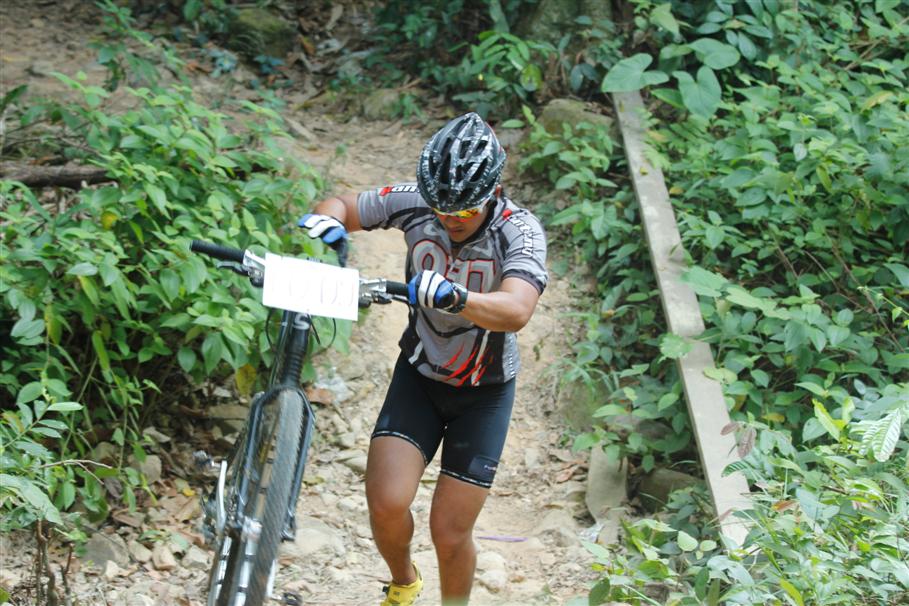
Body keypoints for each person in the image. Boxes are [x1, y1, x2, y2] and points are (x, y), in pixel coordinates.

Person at [298, 112, 548, 606]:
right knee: (386, 502)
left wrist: (459, 298)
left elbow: (518, 309)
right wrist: (328, 219)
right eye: (441, 208)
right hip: (419, 374)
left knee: (449, 533)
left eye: (465, 210)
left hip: (483, 393)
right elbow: (345, 204)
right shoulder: (417, 202)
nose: (451, 219)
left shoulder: (520, 231)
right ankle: (404, 583)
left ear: (494, 192)